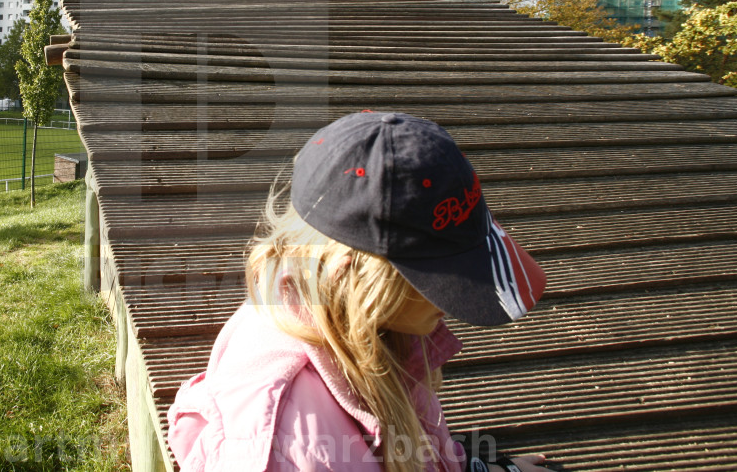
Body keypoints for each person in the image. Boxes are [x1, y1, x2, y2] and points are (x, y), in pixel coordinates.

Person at [168, 111, 555, 472]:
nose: (450, 305)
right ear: (360, 280)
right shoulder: (302, 450)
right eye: (444, 282)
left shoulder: (321, 304)